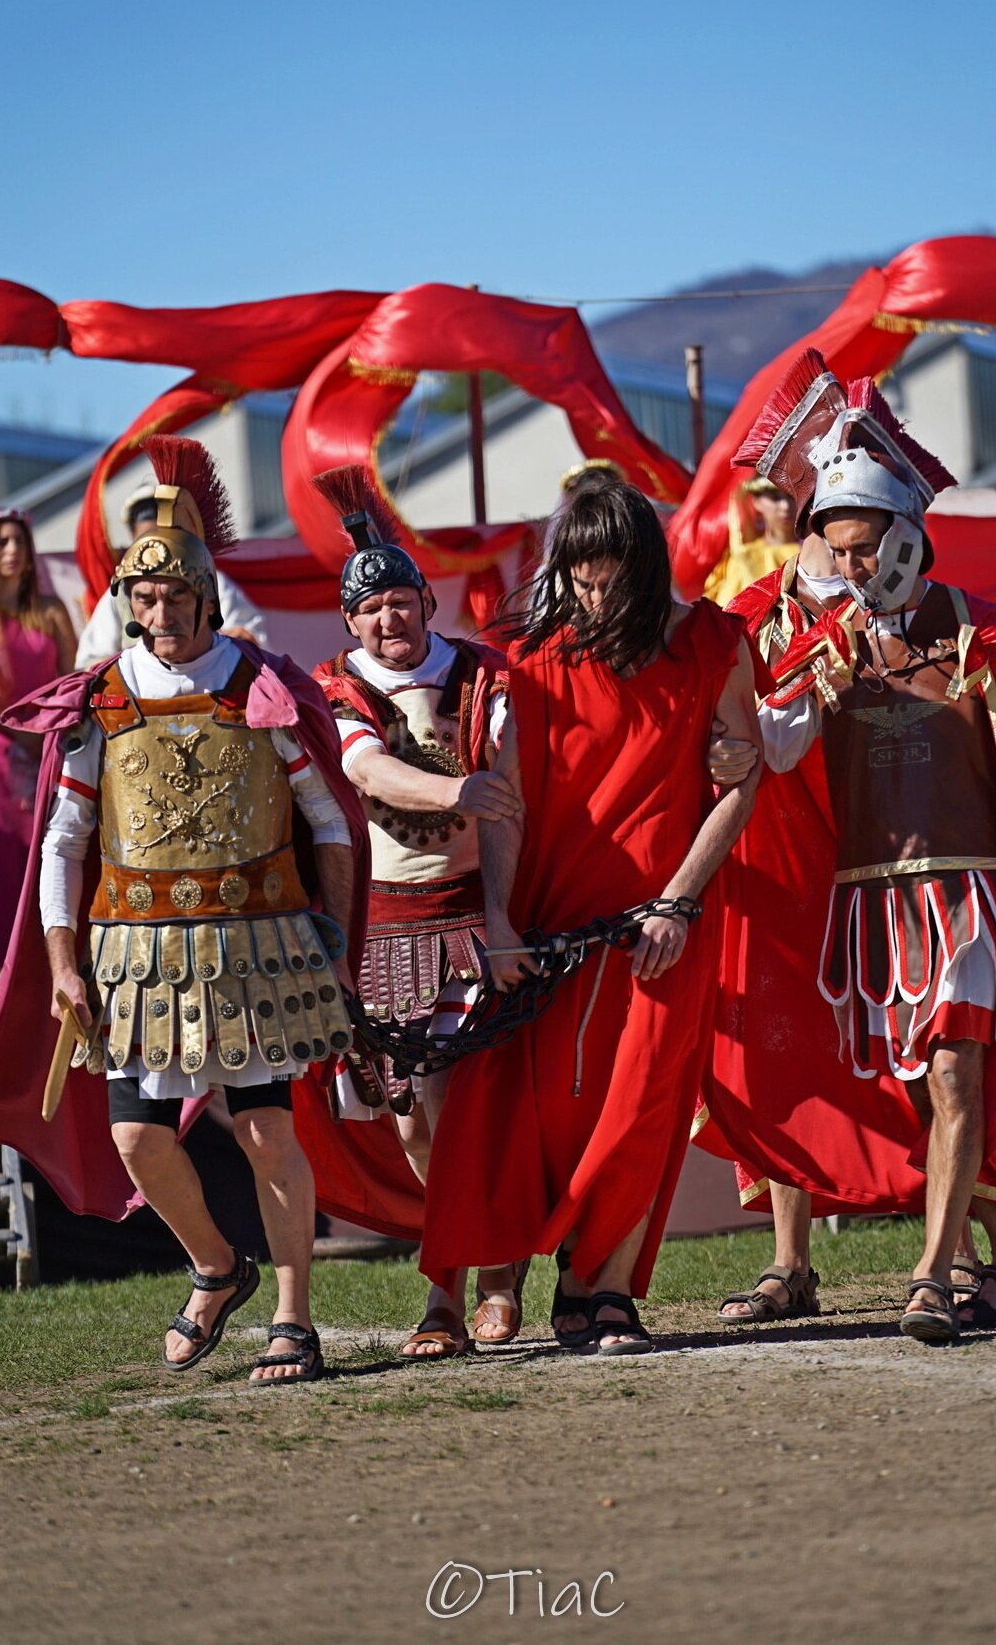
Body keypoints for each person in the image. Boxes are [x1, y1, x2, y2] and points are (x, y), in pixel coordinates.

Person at [0, 438, 368, 1385]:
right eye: (145, 599)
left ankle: (294, 1319)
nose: (162, 613)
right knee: (137, 1137)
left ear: (204, 598)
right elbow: (63, 841)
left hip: (256, 944)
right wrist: (64, 962)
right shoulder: (100, 699)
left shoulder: (258, 685)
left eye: (176, 597)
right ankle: (217, 1269)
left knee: (265, 1132)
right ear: (127, 604)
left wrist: (336, 937)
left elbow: (327, 821)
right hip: (135, 952)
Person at [730, 349, 996, 1342]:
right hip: (867, 901)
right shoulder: (819, 643)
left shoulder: (979, 632)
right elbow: (775, 748)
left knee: (953, 1076)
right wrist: (760, 716)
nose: (850, 566)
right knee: (911, 1093)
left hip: (969, 897)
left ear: (905, 534)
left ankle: (931, 1273)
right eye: (835, 548)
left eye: (864, 546)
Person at [418, 473, 762, 1353]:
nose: (593, 599)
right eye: (579, 582)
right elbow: (507, 805)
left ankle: (599, 1289)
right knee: (543, 1105)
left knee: (644, 1100)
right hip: (552, 915)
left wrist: (679, 900)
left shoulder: (715, 642)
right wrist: (499, 920)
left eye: (609, 582)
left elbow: (741, 780)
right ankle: (516, 1278)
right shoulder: (533, 661)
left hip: (667, 919)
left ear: (645, 568)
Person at [308, 466, 519, 1359]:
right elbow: (364, 768)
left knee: (459, 1104)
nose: (388, 619)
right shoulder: (334, 686)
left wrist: (503, 918)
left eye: (400, 601)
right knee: (410, 1121)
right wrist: (457, 789)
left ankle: (459, 1289)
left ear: (427, 604)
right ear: (350, 622)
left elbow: (507, 792)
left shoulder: (483, 675)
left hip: (471, 913)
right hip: (386, 925)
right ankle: (477, 1263)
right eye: (371, 609)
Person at [0, 508, 77, 963]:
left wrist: (45, 728)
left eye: (20, 540)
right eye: (2, 542)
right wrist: (3, 721)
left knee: (54, 861)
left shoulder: (50, 610)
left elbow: (71, 679)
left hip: (49, 749)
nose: (13, 550)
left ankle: (53, 970)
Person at [75, 482, 264, 667]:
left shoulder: (212, 582)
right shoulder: (121, 591)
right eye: (146, 600)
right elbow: (93, 660)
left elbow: (247, 643)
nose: (162, 620)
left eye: (177, 597)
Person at [703, 476, 800, 607]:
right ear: (756, 503)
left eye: (791, 496)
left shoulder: (815, 550)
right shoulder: (745, 557)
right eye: (775, 498)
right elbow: (728, 610)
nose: (785, 506)